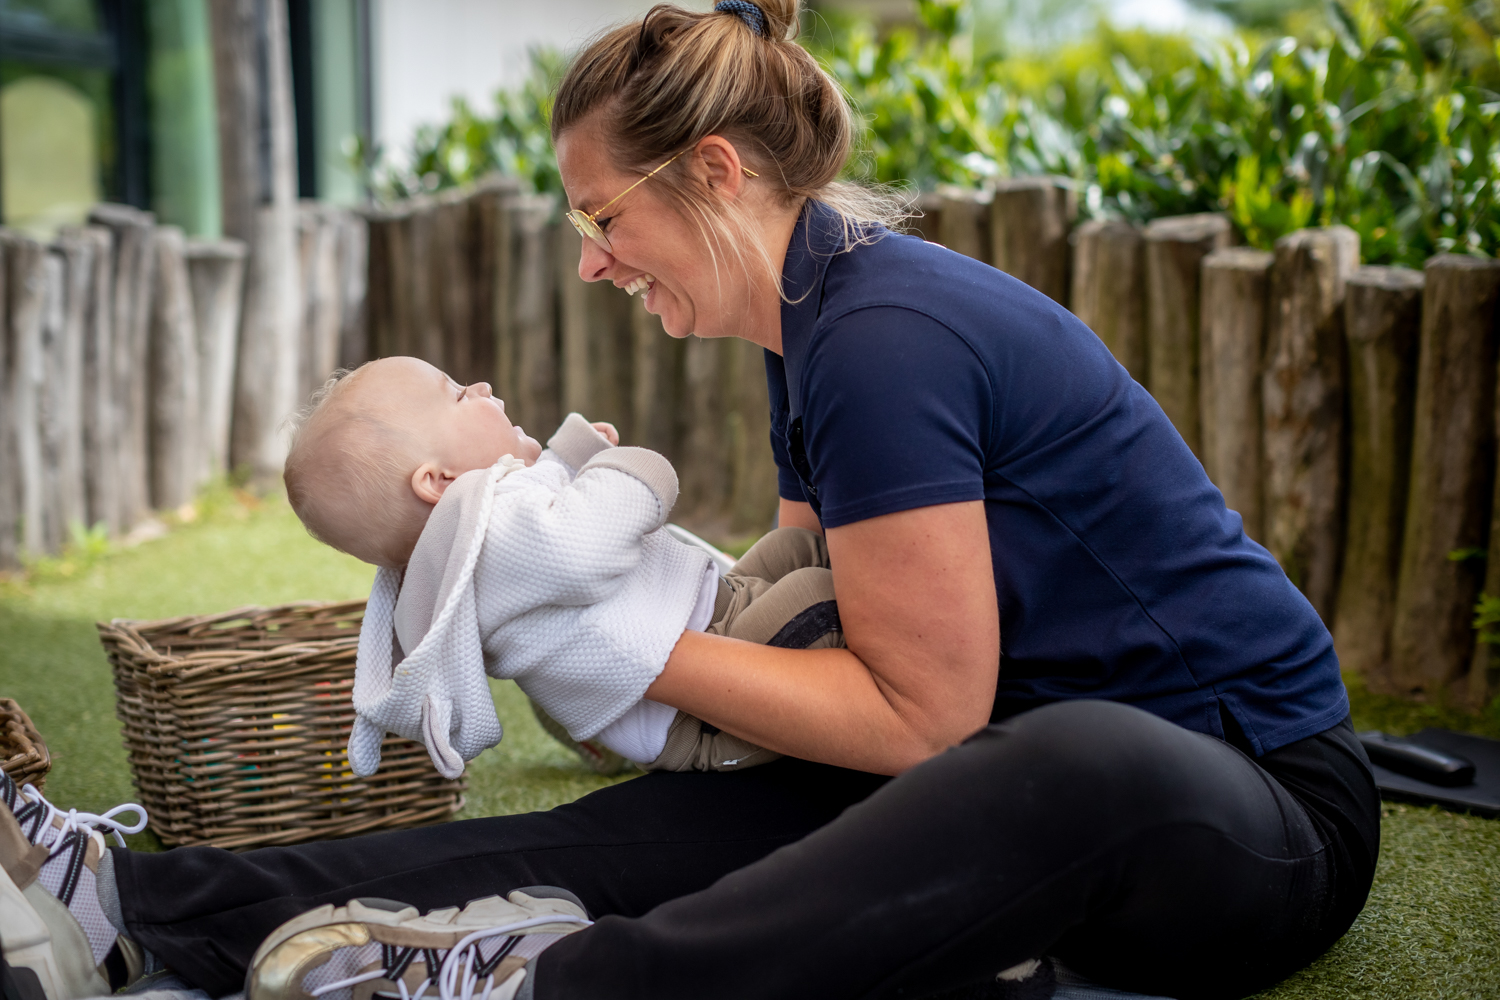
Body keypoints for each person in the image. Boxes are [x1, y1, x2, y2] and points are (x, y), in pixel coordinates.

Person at [0, 1, 1379, 999]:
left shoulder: (885, 336)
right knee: (640, 831)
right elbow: (805, 582)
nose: (594, 262)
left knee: (1073, 759)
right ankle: (134, 909)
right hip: (999, 767)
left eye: (605, 219)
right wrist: (596, 611)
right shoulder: (813, 317)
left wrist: (628, 646)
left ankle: (553, 990)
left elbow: (922, 711)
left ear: (715, 176)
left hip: (1249, 822)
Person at [281, 356, 840, 777]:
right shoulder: (493, 538)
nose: (481, 387)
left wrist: (570, 453)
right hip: (708, 715)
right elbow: (578, 549)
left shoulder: (474, 533)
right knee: (818, 595)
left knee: (793, 548)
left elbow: (546, 506)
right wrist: (633, 470)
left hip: (717, 623)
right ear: (438, 480)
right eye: (457, 395)